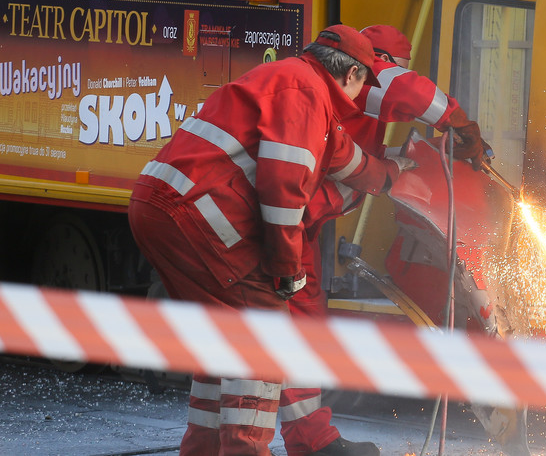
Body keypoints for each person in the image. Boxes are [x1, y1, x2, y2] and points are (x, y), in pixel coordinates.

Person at [128, 25, 409, 456]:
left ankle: (201, 451)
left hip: (157, 205)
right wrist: (286, 268)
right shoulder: (308, 96)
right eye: (362, 85)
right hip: (202, 215)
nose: (361, 99)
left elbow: (348, 161)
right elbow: (283, 192)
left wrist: (390, 175)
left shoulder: (294, 82)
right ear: (351, 74)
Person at [276, 24, 490, 456]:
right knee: (282, 331)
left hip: (301, 225)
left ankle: (311, 440)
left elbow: (354, 162)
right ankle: (277, 441)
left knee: (302, 328)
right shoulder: (365, 79)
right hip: (283, 224)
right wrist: (459, 124)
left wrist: (405, 162)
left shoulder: (349, 106)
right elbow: (405, 91)